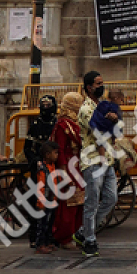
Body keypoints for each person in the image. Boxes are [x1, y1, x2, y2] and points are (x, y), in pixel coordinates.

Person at [76, 69, 119, 257]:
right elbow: (99, 133)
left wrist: (114, 120)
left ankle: (83, 231)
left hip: (107, 159)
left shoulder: (102, 106)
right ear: (89, 87)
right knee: (91, 201)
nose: (102, 87)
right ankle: (90, 240)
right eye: (98, 84)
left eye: (102, 83)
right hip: (93, 159)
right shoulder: (86, 110)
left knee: (111, 198)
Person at [23, 91, 58, 248]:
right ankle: (35, 237)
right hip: (38, 170)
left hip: (53, 169)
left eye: (48, 106)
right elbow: (27, 148)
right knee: (36, 204)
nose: (46, 109)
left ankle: (49, 236)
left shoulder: (57, 124)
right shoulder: (35, 126)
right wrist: (36, 161)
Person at [51, 92, 83, 247]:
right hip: (69, 167)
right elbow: (61, 150)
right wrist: (64, 172)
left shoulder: (77, 122)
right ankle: (64, 237)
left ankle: (77, 233)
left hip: (79, 166)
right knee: (68, 204)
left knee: (80, 202)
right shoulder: (63, 125)